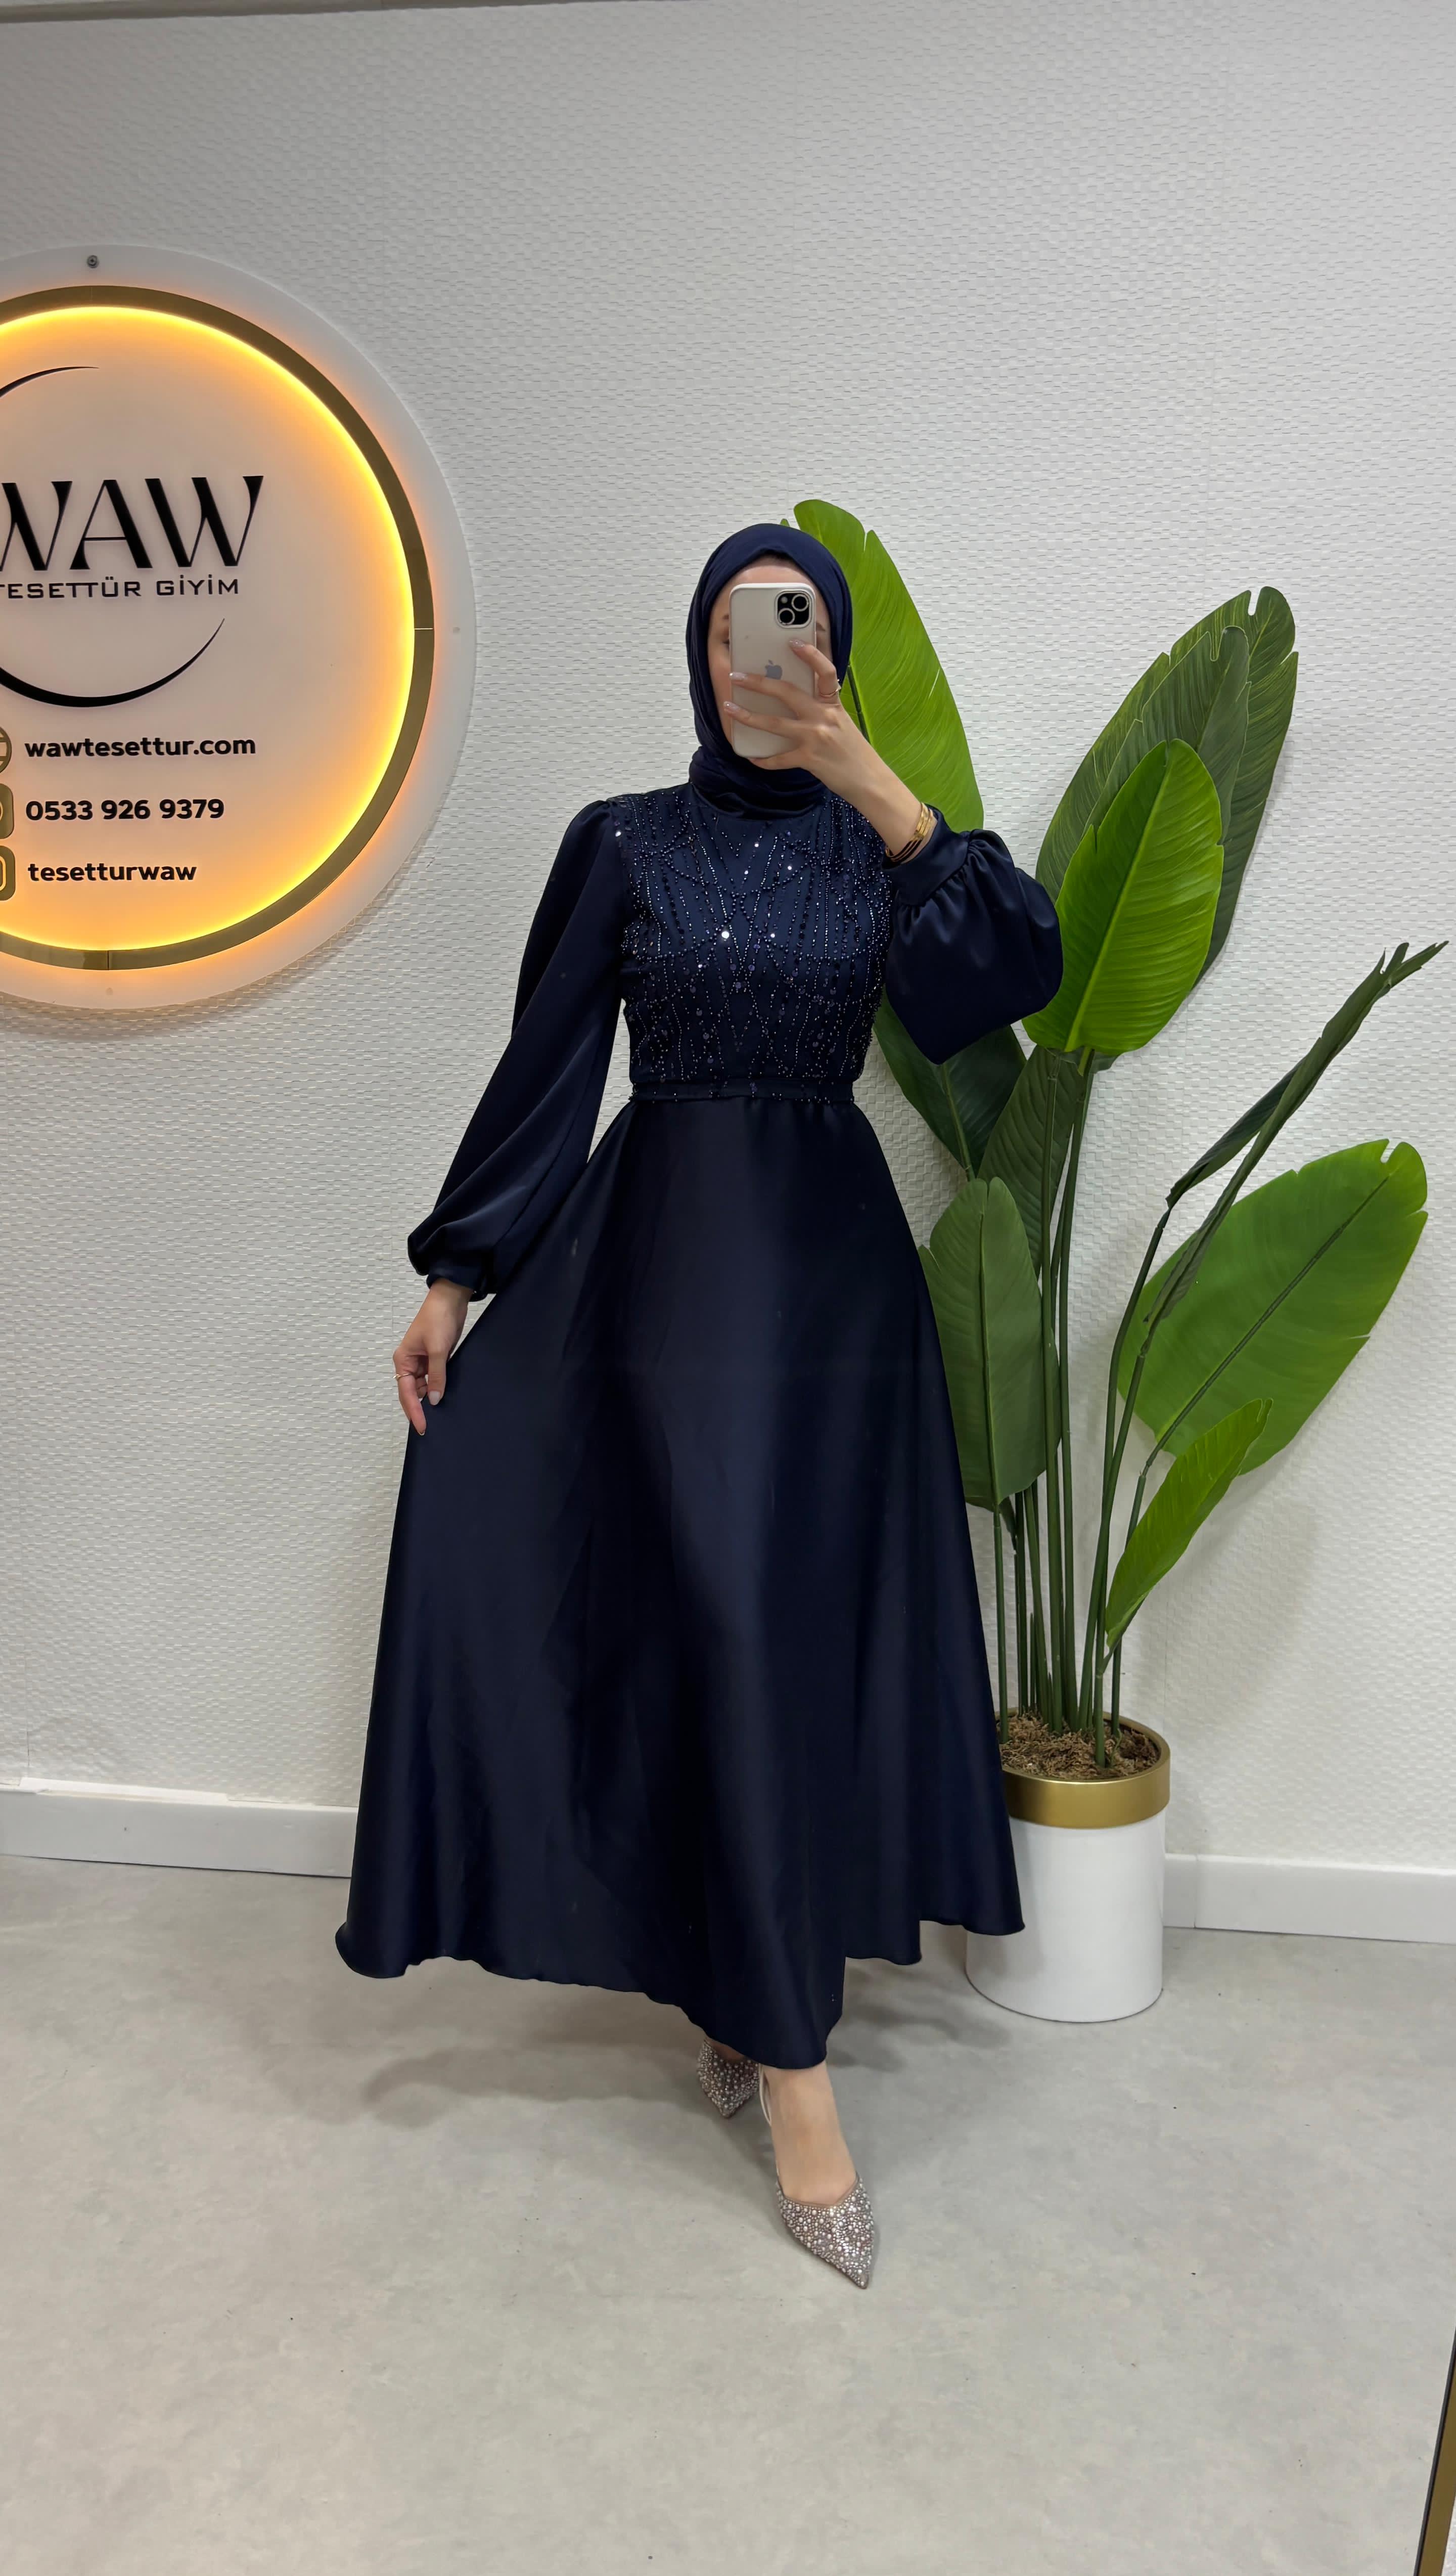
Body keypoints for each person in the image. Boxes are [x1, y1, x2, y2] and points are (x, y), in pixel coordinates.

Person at [336, 524, 1063, 2288]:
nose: (764, 661)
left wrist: (878, 786)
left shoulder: (878, 846)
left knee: (783, 1645)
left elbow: (1007, 982)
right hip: (663, 1287)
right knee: (714, 1624)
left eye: (795, 632)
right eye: (741, 631)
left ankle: (747, 1994)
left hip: (835, 1309)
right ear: (697, 649)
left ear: (833, 654)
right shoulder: (625, 843)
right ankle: (793, 2072)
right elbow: (548, 1067)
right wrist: (456, 1278)